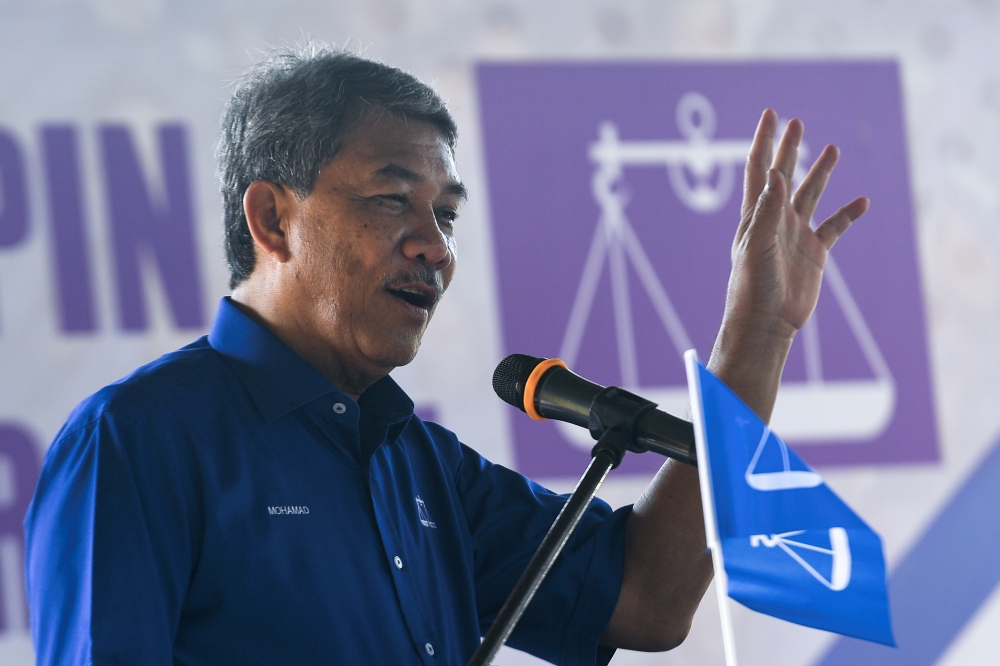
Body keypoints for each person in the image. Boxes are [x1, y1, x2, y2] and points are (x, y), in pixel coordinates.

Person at [24, 45, 868, 666]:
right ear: (272, 219)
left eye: (448, 216)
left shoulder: (420, 463)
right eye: (392, 200)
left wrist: (759, 333)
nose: (434, 247)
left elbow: (647, 599)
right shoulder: (138, 443)